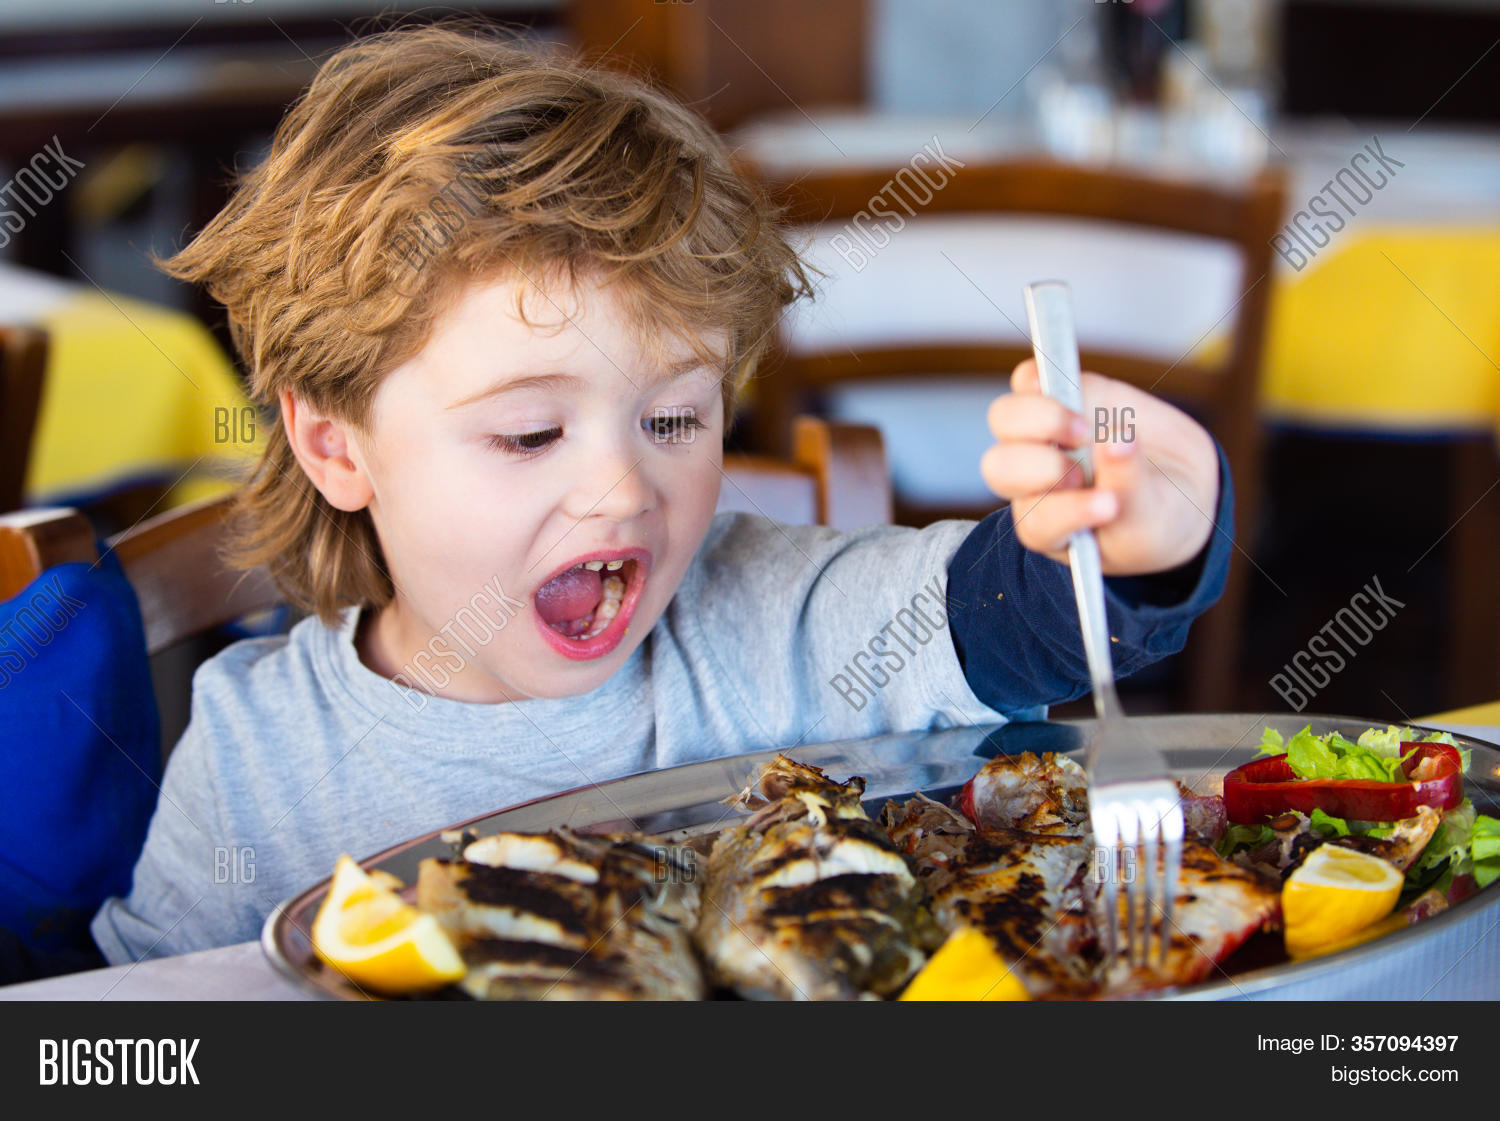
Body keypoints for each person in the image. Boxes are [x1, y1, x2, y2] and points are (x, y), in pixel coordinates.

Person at [91, 23, 1230, 965]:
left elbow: (998, 615)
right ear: (337, 446)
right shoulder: (256, 752)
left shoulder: (774, 625)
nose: (621, 486)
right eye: (529, 431)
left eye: (677, 418)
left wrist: (1137, 533)